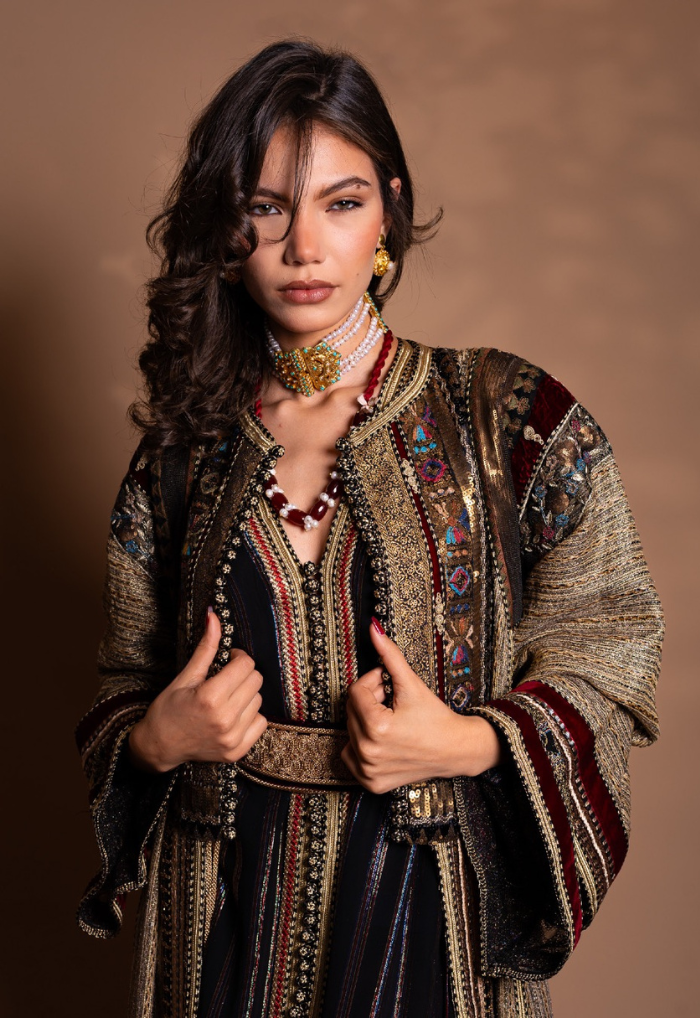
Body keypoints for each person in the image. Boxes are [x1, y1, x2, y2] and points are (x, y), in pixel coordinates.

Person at [75, 39, 664, 1018]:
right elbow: (121, 678)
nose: (304, 247)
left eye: (340, 203)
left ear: (388, 207)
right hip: (224, 909)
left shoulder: (507, 417)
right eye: (267, 208)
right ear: (225, 226)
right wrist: (154, 738)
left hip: (430, 907)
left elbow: (614, 643)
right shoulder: (182, 453)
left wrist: (471, 743)